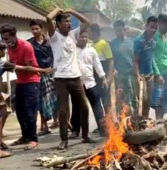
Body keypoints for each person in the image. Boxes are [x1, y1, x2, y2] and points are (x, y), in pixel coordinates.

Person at [0, 38, 52, 158]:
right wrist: (44, 70)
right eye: (3, 50)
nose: (5, 52)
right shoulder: (1, 64)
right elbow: (26, 68)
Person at [46, 7, 93, 150]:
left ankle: (85, 135)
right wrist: (57, 10)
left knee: (84, 107)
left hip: (76, 77)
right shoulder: (54, 36)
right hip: (61, 79)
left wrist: (72, 12)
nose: (69, 23)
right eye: (65, 21)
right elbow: (48, 19)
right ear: (58, 24)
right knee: (63, 110)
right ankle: (64, 140)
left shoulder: (73, 34)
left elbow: (87, 22)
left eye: (69, 21)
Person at [0, 24, 41, 150]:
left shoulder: (26, 46)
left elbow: (29, 68)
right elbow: (14, 65)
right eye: (2, 39)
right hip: (20, 81)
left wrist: (11, 66)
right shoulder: (10, 48)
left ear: (13, 36)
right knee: (19, 111)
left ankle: (33, 139)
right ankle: (25, 136)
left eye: (6, 39)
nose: (4, 42)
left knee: (29, 111)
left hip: (32, 80)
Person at [70, 32, 108, 138]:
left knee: (97, 106)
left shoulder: (91, 50)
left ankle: (103, 129)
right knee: (76, 106)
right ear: (77, 38)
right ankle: (75, 130)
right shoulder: (72, 50)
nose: (83, 38)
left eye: (85, 37)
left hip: (91, 83)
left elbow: (97, 64)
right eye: (81, 36)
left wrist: (103, 77)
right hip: (76, 83)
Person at [28, 20, 58, 136]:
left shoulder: (51, 42)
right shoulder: (29, 44)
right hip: (38, 74)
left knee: (55, 98)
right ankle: (43, 125)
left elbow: (56, 55)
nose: (35, 31)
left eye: (37, 29)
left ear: (41, 29)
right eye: (32, 29)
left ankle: (56, 121)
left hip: (52, 73)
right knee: (41, 100)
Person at [133, 16, 158, 118]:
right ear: (146, 26)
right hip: (141, 75)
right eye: (151, 27)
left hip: (150, 75)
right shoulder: (139, 41)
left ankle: (145, 121)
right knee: (140, 100)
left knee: (148, 101)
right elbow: (135, 60)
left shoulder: (153, 41)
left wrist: (156, 74)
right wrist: (137, 75)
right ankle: (138, 122)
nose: (153, 30)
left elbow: (151, 58)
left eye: (155, 28)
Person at [110, 20, 136, 115]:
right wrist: (113, 69)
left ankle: (131, 119)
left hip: (130, 74)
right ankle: (120, 120)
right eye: (116, 31)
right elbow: (110, 59)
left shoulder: (132, 42)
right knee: (119, 98)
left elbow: (135, 58)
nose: (118, 33)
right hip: (118, 75)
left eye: (120, 30)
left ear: (124, 30)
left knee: (131, 96)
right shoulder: (112, 44)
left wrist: (136, 71)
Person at [88, 24, 114, 115]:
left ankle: (109, 125)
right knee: (97, 103)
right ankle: (102, 125)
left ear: (95, 32)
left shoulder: (104, 44)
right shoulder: (90, 46)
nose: (88, 34)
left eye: (89, 32)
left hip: (103, 78)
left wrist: (108, 78)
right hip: (94, 79)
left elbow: (110, 61)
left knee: (106, 102)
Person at [151, 14, 167, 120]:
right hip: (157, 73)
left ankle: (161, 120)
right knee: (158, 98)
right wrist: (157, 74)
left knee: (166, 98)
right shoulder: (154, 37)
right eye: (165, 25)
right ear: (159, 24)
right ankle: (158, 121)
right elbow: (151, 57)